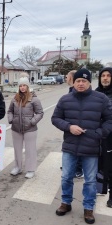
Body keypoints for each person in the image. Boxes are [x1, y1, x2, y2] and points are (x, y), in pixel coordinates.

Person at [52, 68, 112, 224]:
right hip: (70, 146)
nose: (80, 83)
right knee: (66, 177)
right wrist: (69, 127)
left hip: (91, 147)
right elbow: (55, 118)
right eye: (78, 80)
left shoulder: (101, 99)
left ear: (89, 82)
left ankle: (88, 208)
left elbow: (109, 120)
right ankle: (66, 203)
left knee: (90, 181)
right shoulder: (65, 99)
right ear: (74, 82)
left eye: (84, 81)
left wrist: (99, 133)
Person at [7, 76, 44, 179]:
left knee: (30, 149)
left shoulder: (34, 99)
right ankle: (17, 167)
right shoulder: (15, 98)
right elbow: (10, 111)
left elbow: (40, 113)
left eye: (24, 85)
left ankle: (30, 169)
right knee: (17, 149)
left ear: (28, 86)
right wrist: (11, 120)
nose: (22, 87)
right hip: (16, 128)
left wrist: (32, 121)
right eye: (20, 86)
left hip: (30, 129)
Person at [95, 67, 112, 208]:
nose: (105, 78)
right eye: (103, 76)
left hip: (111, 136)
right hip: (99, 136)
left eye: (108, 76)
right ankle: (101, 188)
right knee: (99, 165)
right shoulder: (96, 93)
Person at [64, 70, 84, 178]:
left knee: (79, 148)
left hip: (78, 125)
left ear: (71, 78)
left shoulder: (76, 92)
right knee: (71, 147)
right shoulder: (71, 90)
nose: (66, 79)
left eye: (67, 77)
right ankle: (70, 165)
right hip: (69, 126)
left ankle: (78, 170)